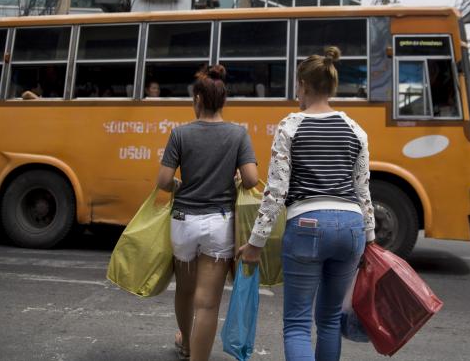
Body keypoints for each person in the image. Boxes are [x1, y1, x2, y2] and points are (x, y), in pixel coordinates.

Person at [238, 46, 376, 361]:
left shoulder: (290, 125)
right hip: (352, 227)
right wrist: (370, 239)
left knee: (298, 324)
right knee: (329, 320)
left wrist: (255, 243)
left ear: (304, 85)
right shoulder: (356, 130)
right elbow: (362, 189)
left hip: (307, 225)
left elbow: (276, 190)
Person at [156, 64, 258, 361]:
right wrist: (235, 179)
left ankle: (186, 343)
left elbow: (163, 182)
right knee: (207, 303)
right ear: (223, 101)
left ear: (198, 99)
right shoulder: (238, 134)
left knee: (185, 292)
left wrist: (182, 186)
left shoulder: (180, 134)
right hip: (218, 224)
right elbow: (251, 179)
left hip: (184, 223)